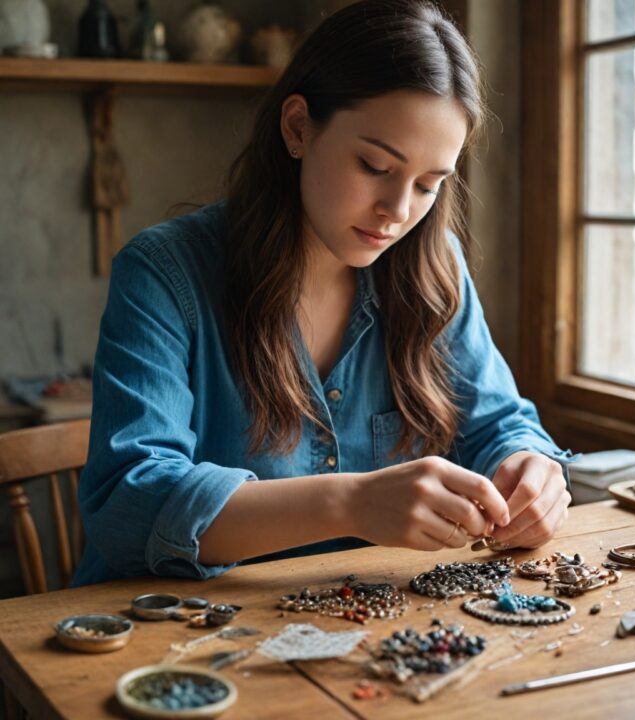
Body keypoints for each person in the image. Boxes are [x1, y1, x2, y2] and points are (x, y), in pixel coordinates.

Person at [73, 0, 571, 586]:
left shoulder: (436, 271)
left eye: (429, 185)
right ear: (297, 128)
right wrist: (351, 503)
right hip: (167, 635)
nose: (398, 211)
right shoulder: (164, 273)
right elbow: (128, 503)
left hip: (363, 632)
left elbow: (498, 425)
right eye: (374, 165)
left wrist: (530, 471)